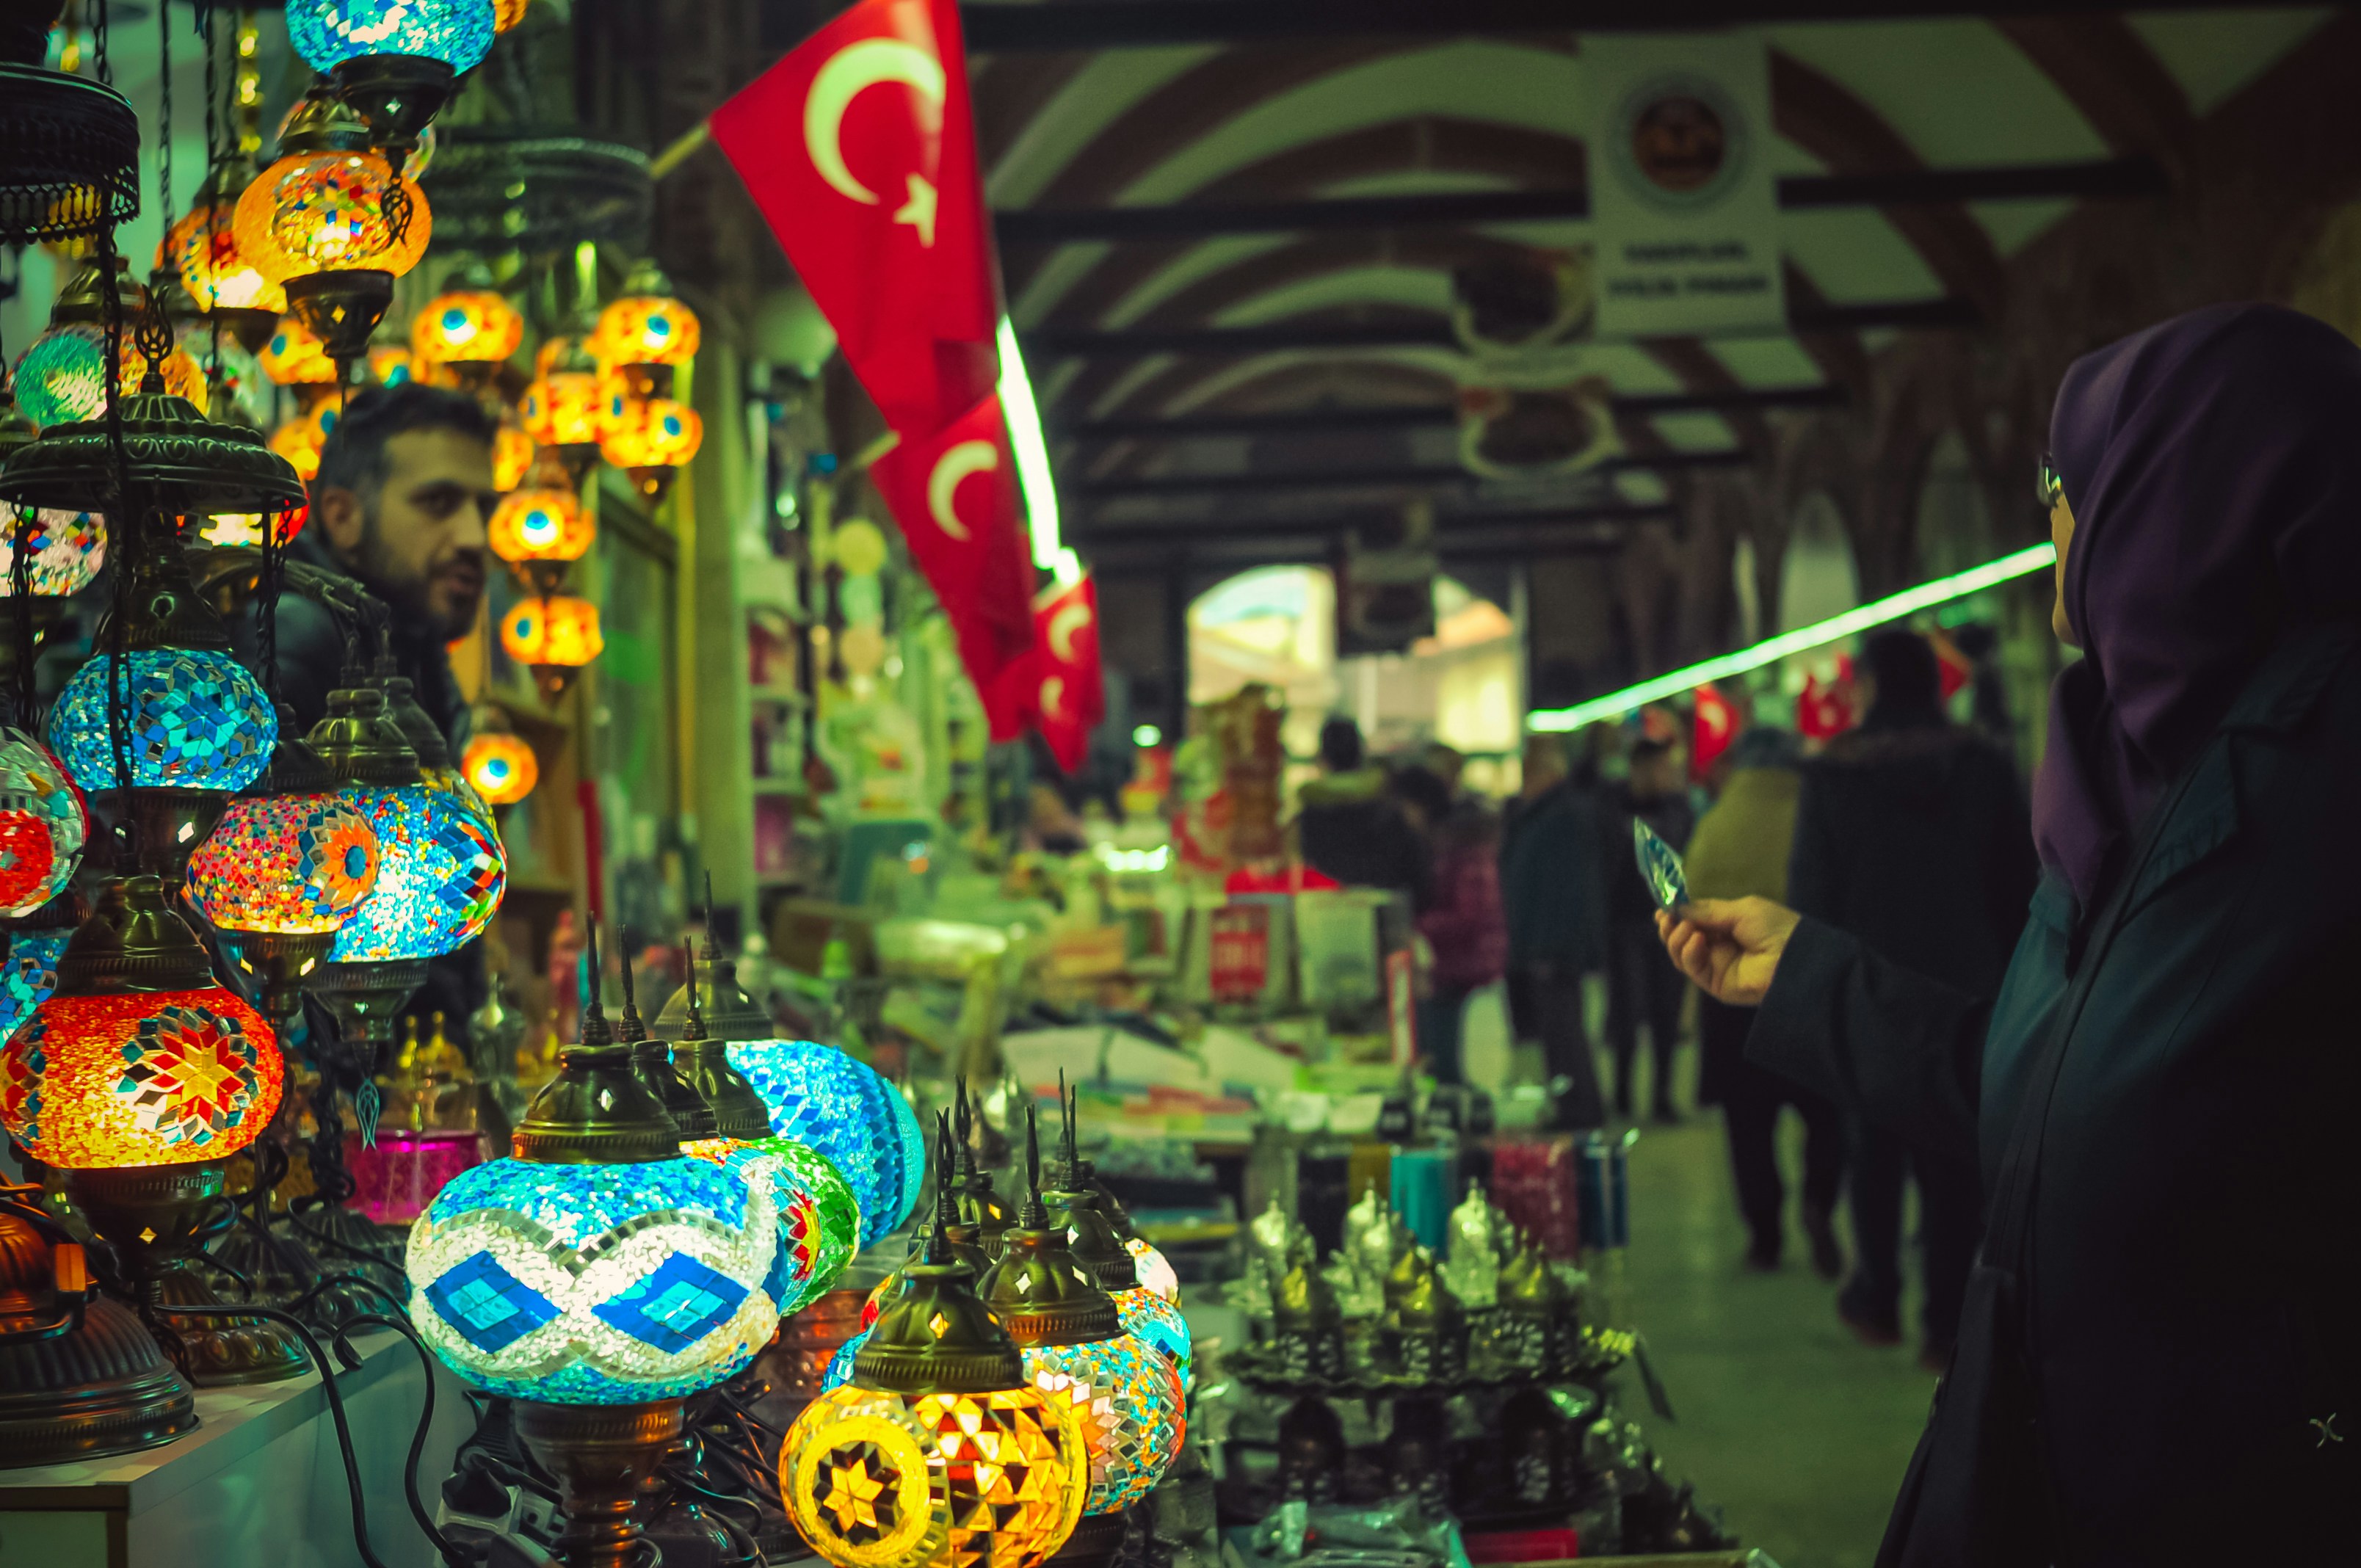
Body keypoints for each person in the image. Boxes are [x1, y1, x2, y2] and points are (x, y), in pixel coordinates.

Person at [1658, 305, 2361, 1562]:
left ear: (2180, 492)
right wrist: (1812, 978)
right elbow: (2061, 1101)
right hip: (2052, 1455)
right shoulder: (2119, 770)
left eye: (2068, 480)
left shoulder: (2327, 784)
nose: (2050, 518)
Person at [1789, 628, 2035, 1360]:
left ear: (1868, 685)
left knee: (1874, 1149)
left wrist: (1818, 991)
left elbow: (1813, 892)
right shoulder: (1984, 766)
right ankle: (1947, 1322)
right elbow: (2019, 885)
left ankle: (1878, 1297)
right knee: (1956, 1155)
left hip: (1871, 985)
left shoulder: (1833, 776)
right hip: (1969, 986)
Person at [237, 383, 500, 1049]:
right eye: (439, 504)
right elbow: (257, 909)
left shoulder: (404, 646)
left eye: (484, 507)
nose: (474, 536)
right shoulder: (301, 640)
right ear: (344, 517)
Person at [1683, 725, 1845, 1277]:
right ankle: (1820, 1200)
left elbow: (1690, 901)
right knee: (1827, 1115)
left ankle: (1765, 1234)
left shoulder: (1717, 822)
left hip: (1733, 999)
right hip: (1807, 988)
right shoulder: (1815, 809)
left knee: (1747, 1125)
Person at [1498, 731, 1607, 1128]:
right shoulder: (1546, 813)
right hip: (1543, 945)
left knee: (1564, 1036)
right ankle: (1576, 1105)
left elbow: (1566, 891)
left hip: (1553, 950)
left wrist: (1552, 947)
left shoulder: (1560, 816)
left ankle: (1579, 1110)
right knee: (1559, 1035)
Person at [1395, 764, 1504, 1086]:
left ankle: (1460, 1128)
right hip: (1453, 970)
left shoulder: (1463, 849)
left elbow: (1471, 916)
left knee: (1453, 1066)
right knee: (1447, 1063)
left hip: (1463, 972)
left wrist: (1418, 926)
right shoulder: (1449, 845)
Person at [1605, 734, 1693, 1122]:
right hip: (1625, 925)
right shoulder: (1612, 807)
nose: (1669, 774)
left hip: (1669, 924)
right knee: (1627, 1012)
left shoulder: (1680, 809)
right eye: (1662, 767)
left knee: (1665, 1013)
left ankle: (1661, 1095)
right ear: (1639, 768)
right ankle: (1622, 1092)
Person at [1295, 716, 1429, 906]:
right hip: (1380, 911)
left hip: (1327, 913)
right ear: (1361, 754)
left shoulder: (1311, 812)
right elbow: (1413, 870)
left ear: (1323, 756)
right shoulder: (1385, 804)